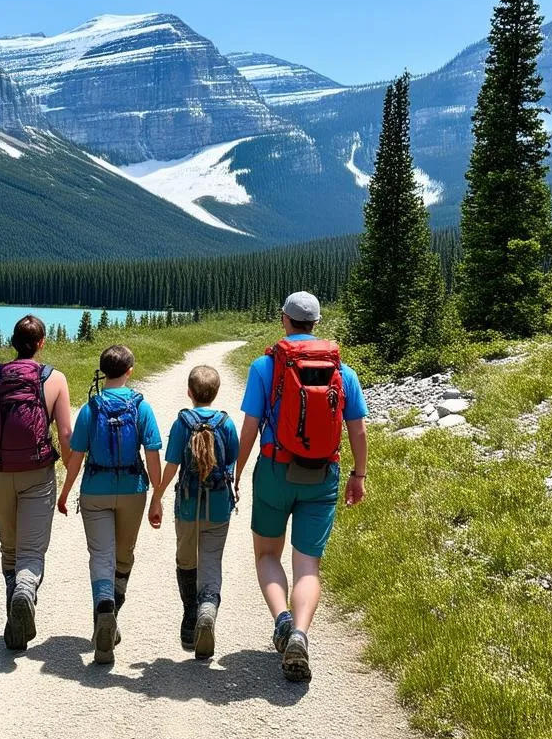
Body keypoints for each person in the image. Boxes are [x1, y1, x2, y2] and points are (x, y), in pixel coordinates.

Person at [235, 292, 368, 682]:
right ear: (317, 323)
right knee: (308, 564)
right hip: (322, 475)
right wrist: (359, 475)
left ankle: (282, 620)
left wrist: (236, 473)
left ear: (284, 321)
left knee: (266, 555)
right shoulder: (343, 372)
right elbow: (356, 430)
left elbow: (249, 431)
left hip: (275, 471)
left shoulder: (265, 366)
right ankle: (301, 634)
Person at [0, 314, 73, 651]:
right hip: (37, 473)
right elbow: (66, 432)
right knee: (31, 551)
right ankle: (25, 591)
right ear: (42, 343)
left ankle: (14, 621)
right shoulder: (55, 379)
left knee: (9, 548)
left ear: (13, 342)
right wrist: (72, 474)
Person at [58, 345, 162, 664]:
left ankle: (103, 605)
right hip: (133, 490)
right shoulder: (141, 407)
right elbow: (154, 456)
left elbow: (75, 459)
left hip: (95, 491)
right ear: (130, 371)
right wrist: (157, 496)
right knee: (123, 557)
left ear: (103, 371)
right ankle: (113, 609)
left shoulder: (91, 409)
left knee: (100, 556)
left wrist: (64, 494)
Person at [149, 365, 240, 660]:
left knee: (186, 560)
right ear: (216, 393)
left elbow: (171, 465)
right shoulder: (225, 424)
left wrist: (157, 497)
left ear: (189, 392)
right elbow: (234, 460)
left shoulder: (182, 424)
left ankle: (190, 616)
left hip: (187, 507)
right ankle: (207, 611)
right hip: (218, 506)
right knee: (211, 562)